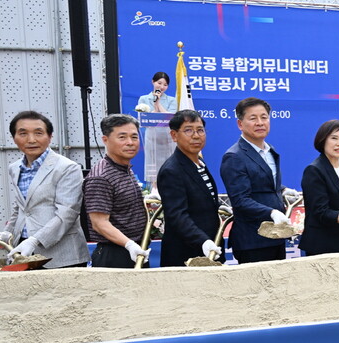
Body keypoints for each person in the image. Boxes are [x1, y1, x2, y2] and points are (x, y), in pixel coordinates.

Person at [1, 110, 89, 268]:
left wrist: (34, 241)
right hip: (24, 252)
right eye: (23, 133)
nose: (31, 140)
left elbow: (67, 213)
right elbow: (21, 208)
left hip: (62, 256)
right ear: (14, 138)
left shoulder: (67, 168)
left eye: (38, 133)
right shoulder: (15, 168)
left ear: (50, 136)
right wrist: (6, 233)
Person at [219, 97, 292, 263]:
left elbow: (262, 182)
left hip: (276, 236)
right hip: (253, 241)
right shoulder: (234, 156)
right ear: (240, 124)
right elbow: (240, 200)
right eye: (253, 118)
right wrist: (271, 213)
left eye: (264, 117)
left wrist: (282, 190)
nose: (260, 123)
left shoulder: (270, 150)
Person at [156, 110, 222, 266]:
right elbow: (177, 216)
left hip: (210, 249)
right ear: (174, 135)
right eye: (188, 130)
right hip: (186, 254)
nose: (196, 136)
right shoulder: (171, 170)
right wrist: (203, 241)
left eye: (200, 130)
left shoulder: (199, 163)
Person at [83, 114, 150, 268]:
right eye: (122, 137)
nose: (130, 142)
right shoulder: (101, 176)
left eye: (134, 137)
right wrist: (129, 244)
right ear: (105, 140)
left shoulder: (124, 168)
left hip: (135, 249)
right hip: (115, 253)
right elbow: (99, 223)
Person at [299, 120, 339, 256]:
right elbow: (321, 212)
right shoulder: (314, 170)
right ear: (322, 140)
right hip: (323, 245)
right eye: (334, 138)